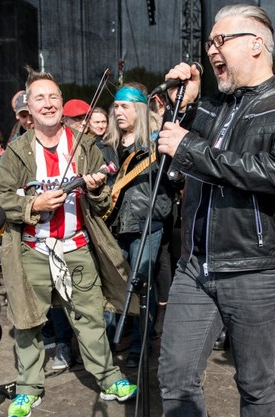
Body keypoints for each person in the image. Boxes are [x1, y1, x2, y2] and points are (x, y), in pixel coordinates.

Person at [155, 4, 275, 416]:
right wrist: (188, 105)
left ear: (256, 44)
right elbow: (177, 165)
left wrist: (190, 147)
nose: (211, 50)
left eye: (220, 40)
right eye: (209, 42)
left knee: (254, 383)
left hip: (258, 269)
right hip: (196, 268)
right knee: (175, 379)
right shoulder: (214, 106)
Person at [0, 67, 138, 417]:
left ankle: (109, 377)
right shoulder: (17, 151)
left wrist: (98, 189)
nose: (49, 103)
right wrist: (32, 205)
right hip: (32, 250)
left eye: (54, 96)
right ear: (28, 107)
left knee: (90, 317)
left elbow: (102, 204)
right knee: (28, 320)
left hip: (77, 246)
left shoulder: (85, 145)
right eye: (40, 98)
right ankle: (28, 388)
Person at [103, 82, 171, 368]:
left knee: (141, 284)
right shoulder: (107, 144)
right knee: (113, 283)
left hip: (146, 222)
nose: (118, 112)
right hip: (114, 223)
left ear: (140, 109)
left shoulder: (156, 141)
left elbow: (173, 179)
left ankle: (140, 346)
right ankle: (110, 342)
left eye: (125, 107)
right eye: (116, 107)